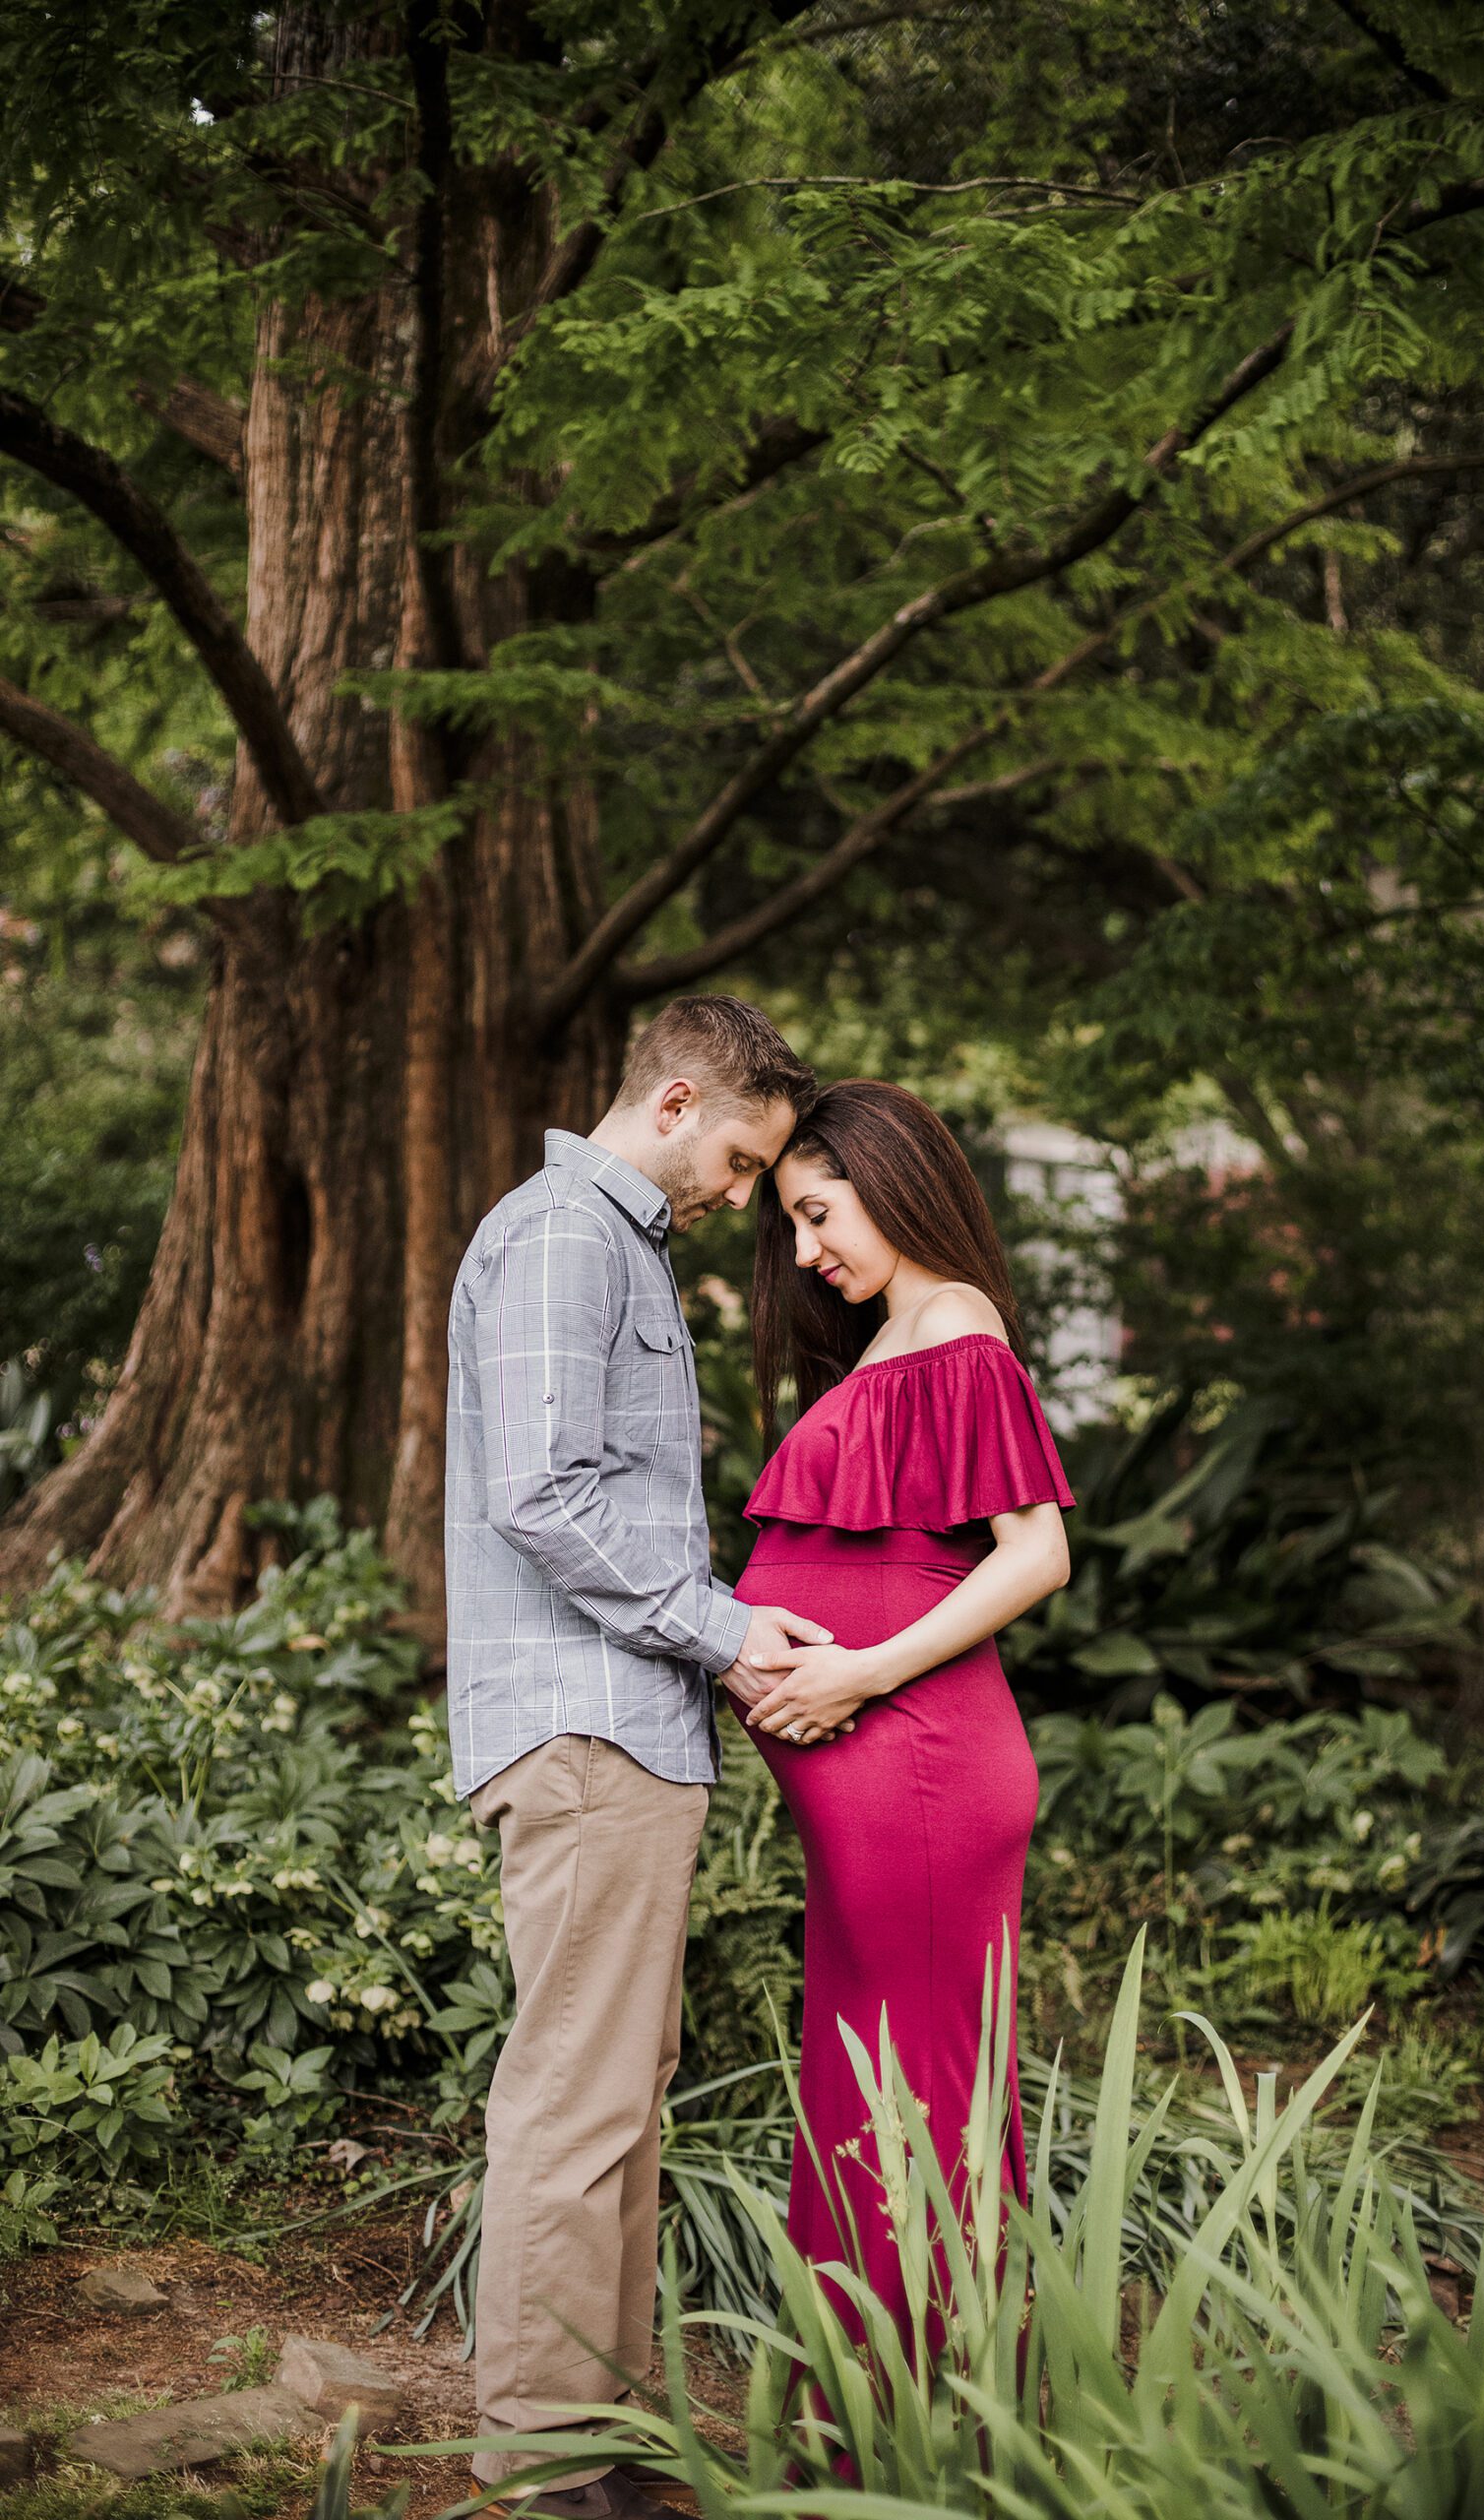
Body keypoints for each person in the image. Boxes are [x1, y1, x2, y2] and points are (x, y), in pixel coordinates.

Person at [445, 997, 835, 2519]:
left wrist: (720, 1627)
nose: (742, 1196)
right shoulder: (564, 1236)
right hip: (585, 1722)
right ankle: (546, 2466)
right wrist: (723, 1633)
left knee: (618, 2090)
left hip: (627, 1718)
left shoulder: (615, 1244)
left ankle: (588, 2447)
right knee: (575, 2096)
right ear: (673, 1104)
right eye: (740, 1160)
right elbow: (542, 1494)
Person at [729, 1079, 1074, 2346]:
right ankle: (868, 2420)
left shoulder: (955, 1323)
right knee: (868, 2085)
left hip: (923, 1769)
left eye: (820, 1213)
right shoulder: (892, 1335)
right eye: (796, 1226)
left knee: (916, 2097)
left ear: (891, 1175)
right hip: (881, 1791)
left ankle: (934, 2420)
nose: (809, 1253)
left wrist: (862, 1671)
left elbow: (1035, 1554)